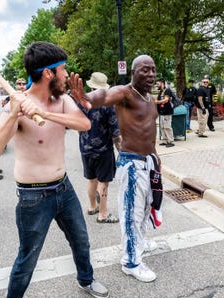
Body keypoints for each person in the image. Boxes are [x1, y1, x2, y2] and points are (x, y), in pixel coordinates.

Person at [0, 41, 109, 298]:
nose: (66, 74)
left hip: (63, 188)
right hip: (33, 197)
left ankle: (86, 280)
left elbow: (84, 123)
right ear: (49, 73)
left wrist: (46, 114)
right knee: (28, 257)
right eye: (62, 69)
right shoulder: (17, 105)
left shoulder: (59, 100)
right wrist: (13, 116)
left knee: (81, 240)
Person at [69, 54, 161, 283]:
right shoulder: (125, 93)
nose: (150, 74)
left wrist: (157, 160)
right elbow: (104, 95)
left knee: (146, 208)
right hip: (132, 164)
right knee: (131, 213)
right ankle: (131, 261)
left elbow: (149, 130)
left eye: (153, 70)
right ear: (132, 72)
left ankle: (138, 243)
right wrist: (86, 97)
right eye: (144, 70)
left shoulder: (149, 97)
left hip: (149, 161)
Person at [78, 72, 121, 223]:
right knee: (103, 182)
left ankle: (92, 206)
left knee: (91, 180)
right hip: (103, 150)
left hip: (85, 148)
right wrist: (120, 151)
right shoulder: (108, 103)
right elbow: (115, 132)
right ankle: (103, 214)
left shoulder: (81, 101)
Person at [154, 78, 175, 147]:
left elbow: (166, 100)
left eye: (158, 84)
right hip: (162, 112)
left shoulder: (167, 90)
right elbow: (157, 99)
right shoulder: (161, 92)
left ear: (162, 83)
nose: (157, 85)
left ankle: (171, 141)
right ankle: (164, 140)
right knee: (162, 127)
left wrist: (157, 102)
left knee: (167, 127)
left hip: (167, 112)